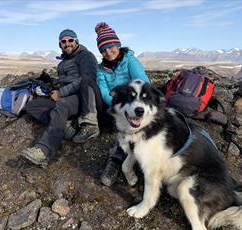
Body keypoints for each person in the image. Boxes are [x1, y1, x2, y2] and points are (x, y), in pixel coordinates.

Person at [20, 29, 100, 166]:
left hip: (83, 97)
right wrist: (52, 89)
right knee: (31, 106)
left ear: (76, 41)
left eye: (70, 40)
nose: (67, 43)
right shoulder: (62, 63)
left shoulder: (86, 56)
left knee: (61, 104)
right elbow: (64, 81)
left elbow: (87, 80)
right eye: (63, 41)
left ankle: (44, 151)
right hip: (66, 98)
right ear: (60, 44)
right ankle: (66, 127)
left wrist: (61, 93)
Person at [94, 22, 150, 186]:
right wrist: (116, 102)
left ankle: (117, 160)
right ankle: (117, 160)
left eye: (111, 47)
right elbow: (103, 91)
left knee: (136, 127)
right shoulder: (101, 69)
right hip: (114, 107)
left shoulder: (130, 60)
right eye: (103, 49)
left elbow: (142, 82)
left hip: (134, 102)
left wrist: (121, 95)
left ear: (117, 44)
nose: (108, 52)